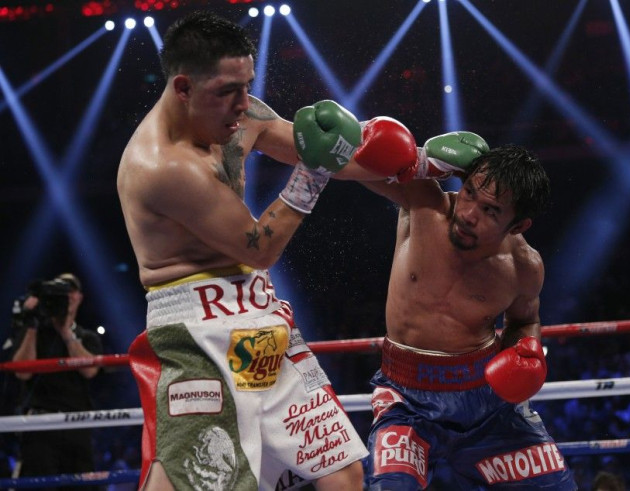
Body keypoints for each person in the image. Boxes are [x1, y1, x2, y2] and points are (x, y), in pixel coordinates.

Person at [116, 11, 415, 491]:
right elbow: (260, 246)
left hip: (261, 311)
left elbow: (321, 150)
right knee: (205, 479)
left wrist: (414, 164)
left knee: (341, 471)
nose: (242, 104)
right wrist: (314, 171)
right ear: (183, 88)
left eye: (246, 84)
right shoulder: (164, 165)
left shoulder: (243, 113)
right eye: (226, 91)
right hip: (197, 328)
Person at [292, 101, 577, 488]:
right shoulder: (423, 203)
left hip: (487, 406)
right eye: (470, 192)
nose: (469, 212)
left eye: (491, 210)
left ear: (519, 224)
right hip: (407, 400)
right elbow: (341, 152)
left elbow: (524, 319)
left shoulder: (524, 266)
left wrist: (525, 348)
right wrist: (419, 158)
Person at [10, 273, 102, 488]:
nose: (66, 295)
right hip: (40, 427)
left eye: (70, 289)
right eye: (60, 290)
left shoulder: (87, 337)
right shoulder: (34, 333)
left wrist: (65, 331)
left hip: (77, 425)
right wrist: (32, 324)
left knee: (81, 485)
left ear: (79, 297)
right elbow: (22, 372)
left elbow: (90, 371)